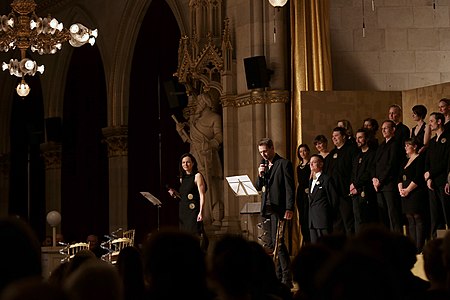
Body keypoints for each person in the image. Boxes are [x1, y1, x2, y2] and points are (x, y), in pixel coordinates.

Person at [175, 92, 223, 226]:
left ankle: (211, 215)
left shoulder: (215, 117)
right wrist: (180, 131)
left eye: (200, 102)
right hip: (194, 154)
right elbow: (189, 140)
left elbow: (220, 137)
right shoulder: (194, 120)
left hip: (207, 156)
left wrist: (209, 144)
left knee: (209, 185)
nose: (198, 105)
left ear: (207, 103)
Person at [255, 138, 295, 288]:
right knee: (272, 244)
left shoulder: (283, 164)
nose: (263, 154)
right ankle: (278, 277)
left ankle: (287, 278)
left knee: (279, 242)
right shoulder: (264, 166)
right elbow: (258, 186)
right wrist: (260, 174)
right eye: (260, 152)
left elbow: (290, 188)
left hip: (279, 209)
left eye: (265, 150)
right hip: (267, 209)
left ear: (272, 148)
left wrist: (289, 208)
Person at [372, 120, 403, 233]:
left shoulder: (395, 144)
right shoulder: (381, 145)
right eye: (382, 128)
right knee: (383, 215)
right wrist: (374, 178)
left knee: (393, 214)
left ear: (393, 130)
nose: (383, 130)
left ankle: (397, 240)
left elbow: (391, 165)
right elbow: (374, 164)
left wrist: (380, 180)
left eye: (386, 128)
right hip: (379, 185)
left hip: (389, 184)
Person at [398, 138, 427, 253]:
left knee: (417, 217)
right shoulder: (405, 160)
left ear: (414, 146)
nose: (405, 147)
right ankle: (413, 246)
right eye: (405, 145)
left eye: (408, 145)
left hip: (415, 192)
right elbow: (399, 177)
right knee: (409, 218)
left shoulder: (419, 159)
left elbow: (418, 177)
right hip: (405, 192)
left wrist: (408, 190)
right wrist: (401, 189)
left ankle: (419, 247)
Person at [327, 127, 358, 235]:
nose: (334, 138)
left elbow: (354, 169)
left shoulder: (351, 150)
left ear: (344, 136)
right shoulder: (332, 153)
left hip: (346, 193)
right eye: (333, 136)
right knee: (337, 224)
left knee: (348, 222)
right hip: (334, 194)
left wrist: (352, 184)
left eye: (336, 136)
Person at [425, 112, 450, 239]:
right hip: (432, 183)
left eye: (431, 121)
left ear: (439, 121)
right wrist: (428, 177)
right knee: (435, 215)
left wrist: (431, 173)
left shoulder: (448, 138)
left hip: (443, 181)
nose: (429, 124)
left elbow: (446, 161)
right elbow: (427, 161)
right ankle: (437, 243)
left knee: (447, 213)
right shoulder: (433, 141)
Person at [168, 153, 206, 236]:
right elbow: (183, 195)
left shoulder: (197, 176)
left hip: (193, 210)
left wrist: (201, 212)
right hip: (183, 211)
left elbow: (202, 195)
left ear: (193, 163)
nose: (185, 164)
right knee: (184, 236)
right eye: (183, 162)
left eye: (188, 162)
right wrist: (175, 194)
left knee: (195, 234)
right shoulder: (182, 178)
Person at [350, 128, 377, 233]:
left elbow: (369, 173)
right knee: (357, 220)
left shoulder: (372, 154)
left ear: (367, 138)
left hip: (366, 191)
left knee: (367, 221)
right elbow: (353, 173)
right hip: (355, 192)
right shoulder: (357, 156)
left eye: (360, 138)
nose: (357, 140)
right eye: (356, 138)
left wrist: (356, 185)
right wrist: (352, 185)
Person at [308, 154, 338, 243]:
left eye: (314, 162)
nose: (311, 164)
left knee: (326, 246)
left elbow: (334, 199)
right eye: (310, 163)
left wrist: (330, 215)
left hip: (323, 219)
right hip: (312, 220)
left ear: (321, 164)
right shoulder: (310, 180)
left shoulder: (326, 179)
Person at [296, 143, 311, 245]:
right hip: (300, 193)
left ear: (308, 151)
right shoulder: (298, 167)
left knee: (308, 216)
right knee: (302, 219)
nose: (303, 153)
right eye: (301, 151)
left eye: (304, 151)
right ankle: (305, 241)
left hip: (308, 192)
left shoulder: (311, 164)